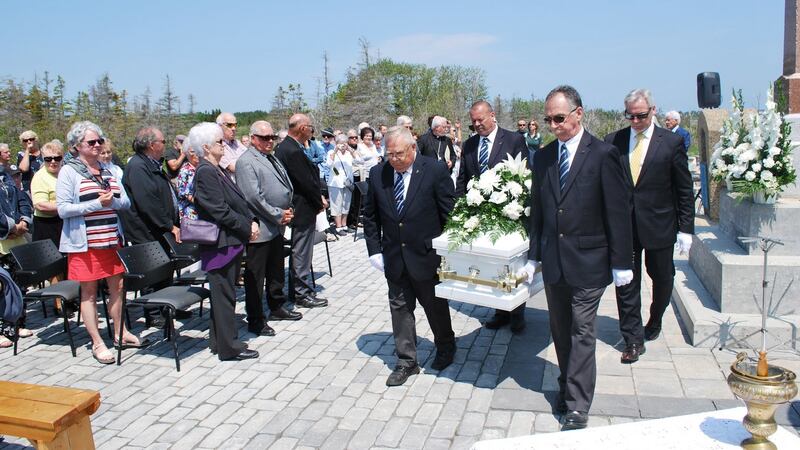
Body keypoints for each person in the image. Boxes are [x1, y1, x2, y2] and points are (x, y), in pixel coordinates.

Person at [518, 85, 633, 430]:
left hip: (589, 261)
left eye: (558, 118)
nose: (553, 125)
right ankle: (567, 385)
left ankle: (578, 404)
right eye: (548, 119)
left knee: (582, 329)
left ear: (578, 114)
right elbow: (539, 211)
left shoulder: (602, 154)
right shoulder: (543, 157)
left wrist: (623, 262)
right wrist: (533, 256)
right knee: (560, 328)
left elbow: (617, 211)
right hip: (554, 261)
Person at [363, 126, 457, 386]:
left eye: (399, 154)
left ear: (413, 148)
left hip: (426, 256)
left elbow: (448, 213)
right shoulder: (378, 173)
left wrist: (450, 251)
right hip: (394, 256)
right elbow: (370, 217)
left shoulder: (434, 170)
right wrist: (374, 251)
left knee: (435, 306)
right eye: (389, 154)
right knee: (400, 309)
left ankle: (445, 346)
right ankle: (406, 361)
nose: (393, 159)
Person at [605, 90, 694, 356]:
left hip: (660, 226)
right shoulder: (614, 141)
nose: (635, 121)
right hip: (625, 229)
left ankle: (655, 320)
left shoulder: (670, 142)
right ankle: (632, 339)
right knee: (626, 283)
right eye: (629, 115)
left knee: (663, 278)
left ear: (653, 110)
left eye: (640, 115)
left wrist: (686, 228)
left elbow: (683, 189)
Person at [56, 120, 143, 365]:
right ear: (76, 146)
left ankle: (120, 332)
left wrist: (111, 201)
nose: (97, 145)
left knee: (117, 288)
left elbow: (124, 202)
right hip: (86, 244)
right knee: (90, 294)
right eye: (91, 142)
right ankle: (97, 341)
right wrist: (96, 204)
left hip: (112, 240)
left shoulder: (109, 169)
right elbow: (63, 209)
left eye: (99, 141)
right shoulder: (69, 171)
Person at [189, 122, 260, 361]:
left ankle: (219, 341)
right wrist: (245, 226)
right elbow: (219, 210)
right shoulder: (205, 172)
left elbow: (236, 201)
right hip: (220, 243)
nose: (224, 145)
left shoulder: (215, 168)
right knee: (224, 296)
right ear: (207, 147)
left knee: (224, 294)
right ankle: (229, 347)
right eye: (220, 142)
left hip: (229, 240)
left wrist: (250, 220)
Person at [456, 100, 528, 333]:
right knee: (492, 264)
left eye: (481, 120)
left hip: (508, 212)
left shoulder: (514, 140)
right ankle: (499, 311)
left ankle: (517, 313)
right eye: (474, 121)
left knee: (512, 264)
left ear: (492, 115)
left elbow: (525, 175)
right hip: (479, 214)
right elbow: (462, 179)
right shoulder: (469, 145)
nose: (477, 125)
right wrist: (461, 208)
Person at [236, 120, 300, 337]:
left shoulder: (269, 157)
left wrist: (287, 208)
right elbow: (253, 197)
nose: (269, 141)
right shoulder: (246, 161)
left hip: (276, 225)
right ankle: (255, 319)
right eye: (264, 138)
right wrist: (277, 214)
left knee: (275, 270)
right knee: (256, 276)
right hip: (260, 227)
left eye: (272, 137)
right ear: (253, 138)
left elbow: (283, 185)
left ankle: (276, 306)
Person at [275, 114, 328, 308]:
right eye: (310, 127)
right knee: (302, 253)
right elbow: (306, 182)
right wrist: (319, 201)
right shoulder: (292, 150)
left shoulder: (286, 147)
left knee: (301, 251)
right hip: (302, 207)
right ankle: (302, 293)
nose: (312, 131)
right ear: (302, 128)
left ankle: (297, 290)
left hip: (299, 206)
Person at [327, 134, 355, 235]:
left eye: (345, 143)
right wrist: (335, 151)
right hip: (335, 182)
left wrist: (351, 151)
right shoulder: (331, 152)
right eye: (340, 143)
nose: (343, 145)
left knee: (346, 204)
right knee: (336, 204)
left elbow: (360, 161)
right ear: (336, 143)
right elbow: (329, 164)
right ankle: (338, 227)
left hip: (347, 182)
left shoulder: (348, 153)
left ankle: (344, 225)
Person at [216, 112, 247, 178]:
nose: (234, 128)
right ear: (219, 126)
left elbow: (252, 159)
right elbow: (234, 168)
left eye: (235, 125)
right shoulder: (217, 146)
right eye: (229, 125)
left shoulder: (237, 143)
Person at [176, 140, 200, 221]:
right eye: (192, 152)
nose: (196, 154)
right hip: (190, 211)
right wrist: (204, 204)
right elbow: (185, 194)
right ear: (186, 153)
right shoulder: (185, 170)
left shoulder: (200, 167)